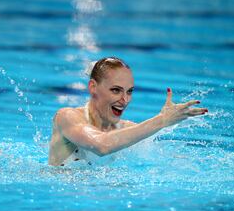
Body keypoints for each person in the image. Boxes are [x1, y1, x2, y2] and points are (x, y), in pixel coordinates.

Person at [49, 57, 208, 166]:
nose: (125, 100)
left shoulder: (126, 129)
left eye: (129, 91)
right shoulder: (67, 117)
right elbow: (101, 145)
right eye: (116, 90)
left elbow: (160, 157)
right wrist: (161, 120)